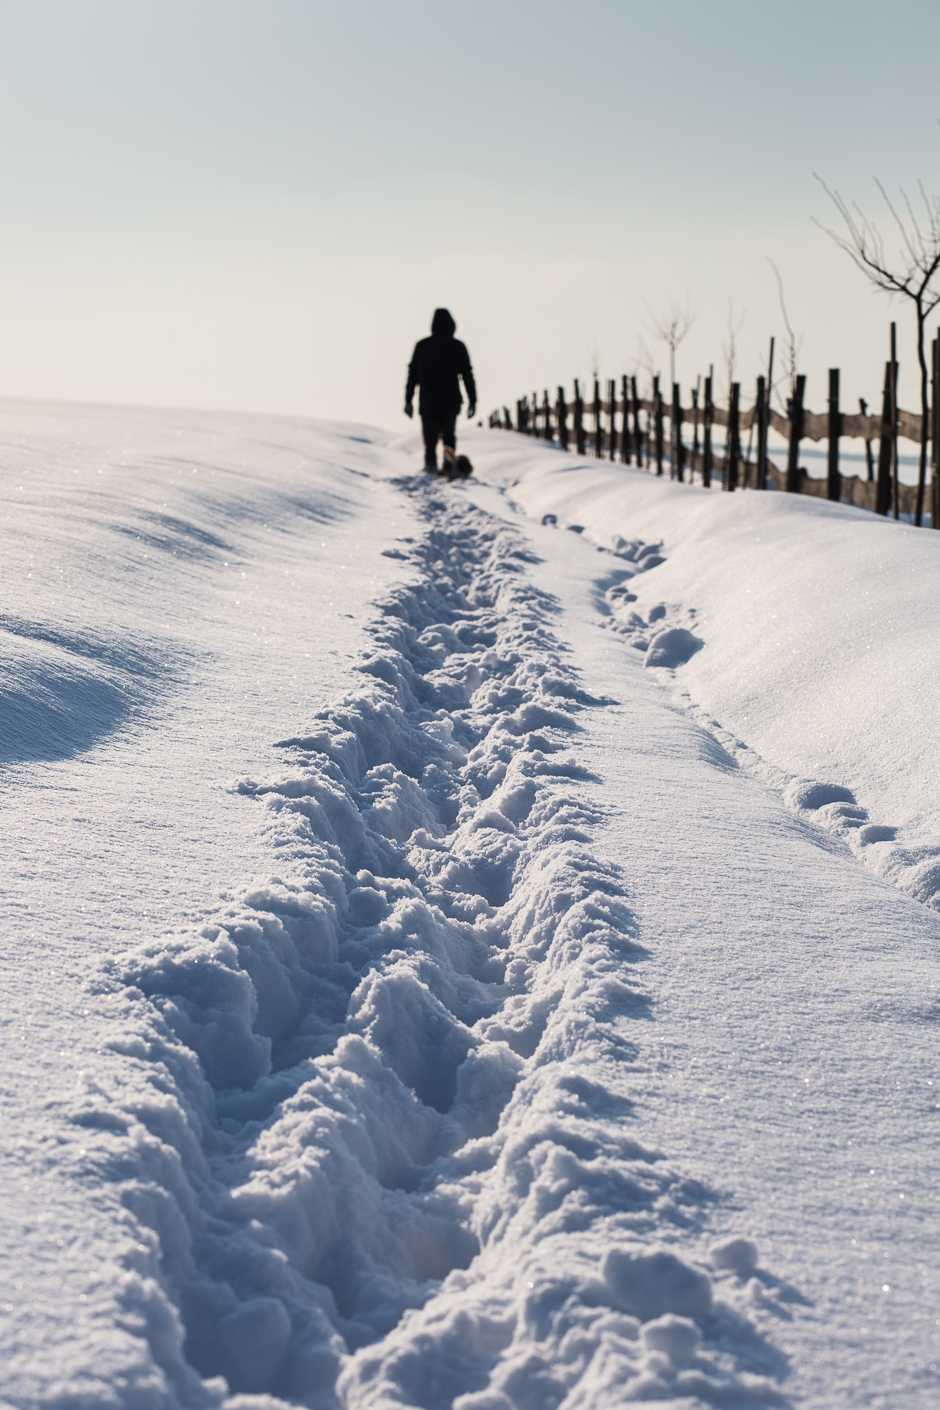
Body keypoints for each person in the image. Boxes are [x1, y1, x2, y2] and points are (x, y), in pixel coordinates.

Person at [404, 308, 476, 473]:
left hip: (428, 402)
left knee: (430, 441)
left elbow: (412, 376)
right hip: (450, 402)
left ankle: (431, 470)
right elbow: (467, 375)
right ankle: (449, 469)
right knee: (449, 438)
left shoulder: (422, 346)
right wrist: (473, 400)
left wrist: (408, 400)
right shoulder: (457, 346)